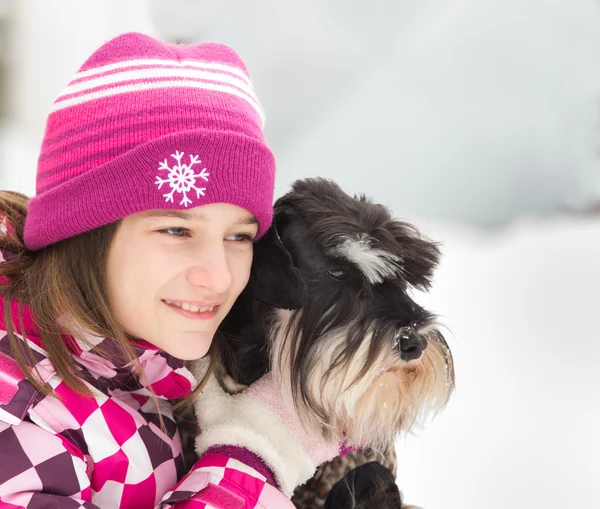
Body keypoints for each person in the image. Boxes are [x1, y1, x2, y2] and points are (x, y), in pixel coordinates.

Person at [0, 32, 347, 508]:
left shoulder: (148, 359)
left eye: (239, 236)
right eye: (177, 232)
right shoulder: (19, 417)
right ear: (81, 230)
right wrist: (250, 460)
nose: (219, 277)